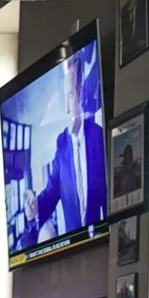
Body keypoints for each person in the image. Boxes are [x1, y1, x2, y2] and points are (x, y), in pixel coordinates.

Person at [31, 51, 106, 237]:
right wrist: (34, 205)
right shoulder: (62, 145)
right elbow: (51, 193)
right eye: (64, 100)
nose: (66, 110)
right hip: (75, 249)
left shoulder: (98, 136)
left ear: (80, 95)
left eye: (71, 96)